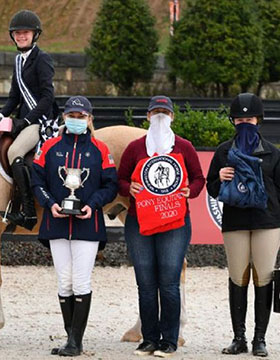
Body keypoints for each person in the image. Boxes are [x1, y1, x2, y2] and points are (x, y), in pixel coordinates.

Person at [117, 95, 205, 358]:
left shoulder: (184, 147)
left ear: (172, 117)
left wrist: (191, 191)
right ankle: (149, 338)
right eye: (155, 112)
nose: (159, 117)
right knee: (145, 283)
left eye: (164, 113)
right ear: (147, 117)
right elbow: (120, 179)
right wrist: (127, 188)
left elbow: (199, 178)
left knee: (168, 282)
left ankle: (169, 339)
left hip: (174, 220)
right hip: (140, 219)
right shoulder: (135, 148)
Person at [31, 96, 118, 356]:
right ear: (64, 117)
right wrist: (49, 204)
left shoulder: (100, 149)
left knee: (80, 281)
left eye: (81, 117)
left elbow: (110, 185)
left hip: (87, 224)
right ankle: (71, 338)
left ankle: (75, 342)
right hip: (56, 221)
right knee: (63, 282)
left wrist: (93, 203)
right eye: (72, 116)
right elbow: (37, 181)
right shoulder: (49, 146)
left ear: (90, 120)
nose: (76, 120)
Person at [207, 93, 280, 357]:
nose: (244, 123)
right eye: (239, 119)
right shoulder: (224, 152)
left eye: (248, 118)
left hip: (267, 223)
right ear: (233, 121)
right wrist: (222, 177)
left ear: (258, 120)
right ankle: (239, 337)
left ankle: (260, 338)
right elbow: (211, 187)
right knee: (238, 277)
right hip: (235, 222)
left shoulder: (273, 152)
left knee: (264, 276)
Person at [0, 9, 59, 230]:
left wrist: (26, 120)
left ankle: (28, 212)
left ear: (35, 35)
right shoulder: (18, 61)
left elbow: (47, 97)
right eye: (17, 33)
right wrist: (0, 116)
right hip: (24, 119)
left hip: (40, 121)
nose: (21, 36)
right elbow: (14, 97)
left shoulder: (43, 59)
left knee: (14, 152)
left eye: (26, 33)